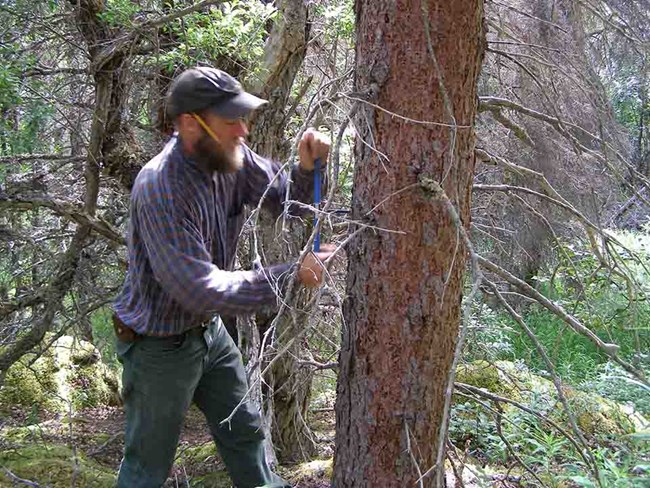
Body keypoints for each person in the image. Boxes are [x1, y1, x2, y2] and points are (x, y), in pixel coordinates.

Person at [112, 66, 333, 488]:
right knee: (147, 468)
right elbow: (200, 289)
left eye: (243, 117)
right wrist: (289, 275)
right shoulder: (160, 186)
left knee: (245, 433)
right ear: (192, 124)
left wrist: (305, 170)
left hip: (209, 335)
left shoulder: (232, 157)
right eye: (231, 119)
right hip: (157, 347)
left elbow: (289, 203)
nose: (243, 129)